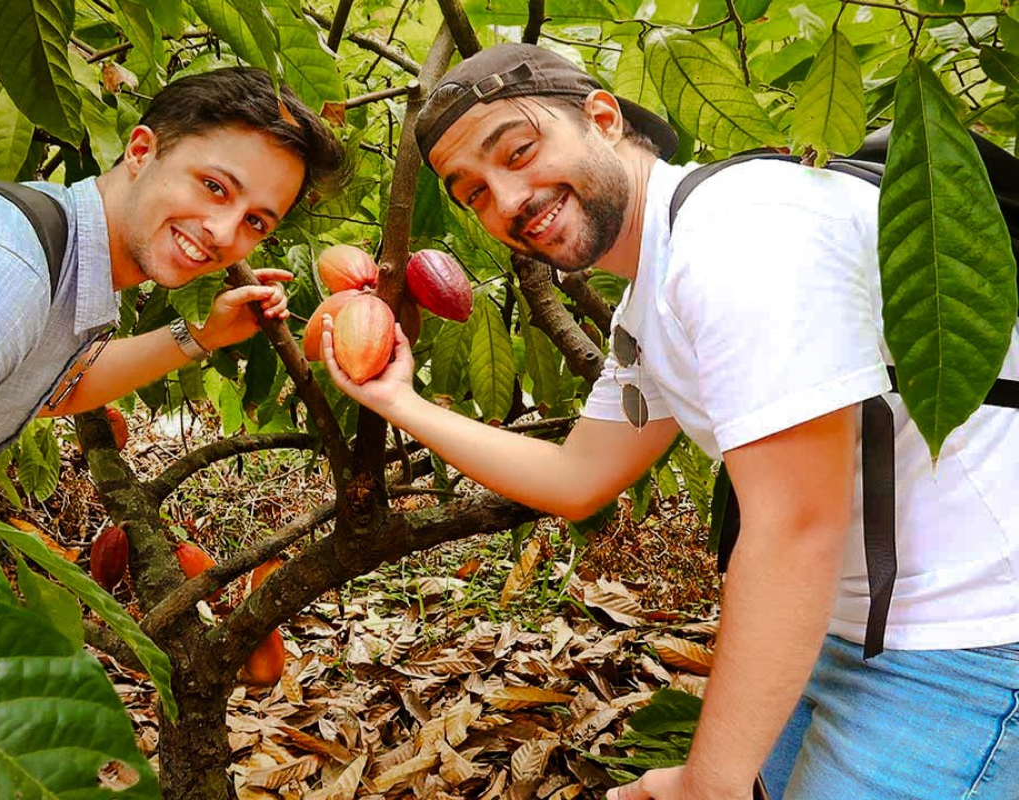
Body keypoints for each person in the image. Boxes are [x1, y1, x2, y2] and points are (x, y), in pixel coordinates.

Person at [321, 43, 1019, 799]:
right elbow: (576, 477)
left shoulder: (737, 237)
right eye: (475, 194)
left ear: (603, 117)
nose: (508, 199)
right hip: (851, 629)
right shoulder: (655, 291)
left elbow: (793, 528)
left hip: (971, 637)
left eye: (519, 151)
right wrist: (400, 401)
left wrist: (706, 785)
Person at [0, 67, 345, 565]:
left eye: (255, 223)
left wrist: (199, 336)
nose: (224, 232)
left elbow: (47, 388)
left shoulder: (61, 249)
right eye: (214, 187)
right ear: (142, 150)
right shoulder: (2, 265)